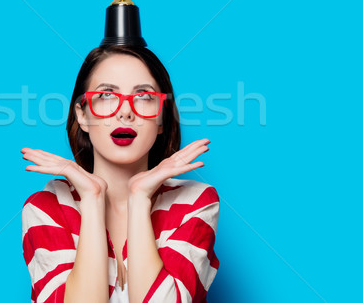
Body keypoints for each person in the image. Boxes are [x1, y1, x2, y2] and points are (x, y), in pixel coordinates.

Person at [21, 44, 220, 303]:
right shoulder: (48, 207)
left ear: (161, 119)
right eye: (106, 95)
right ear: (82, 115)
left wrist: (138, 198)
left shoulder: (194, 201)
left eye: (144, 96)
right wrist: (92, 199)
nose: (125, 112)